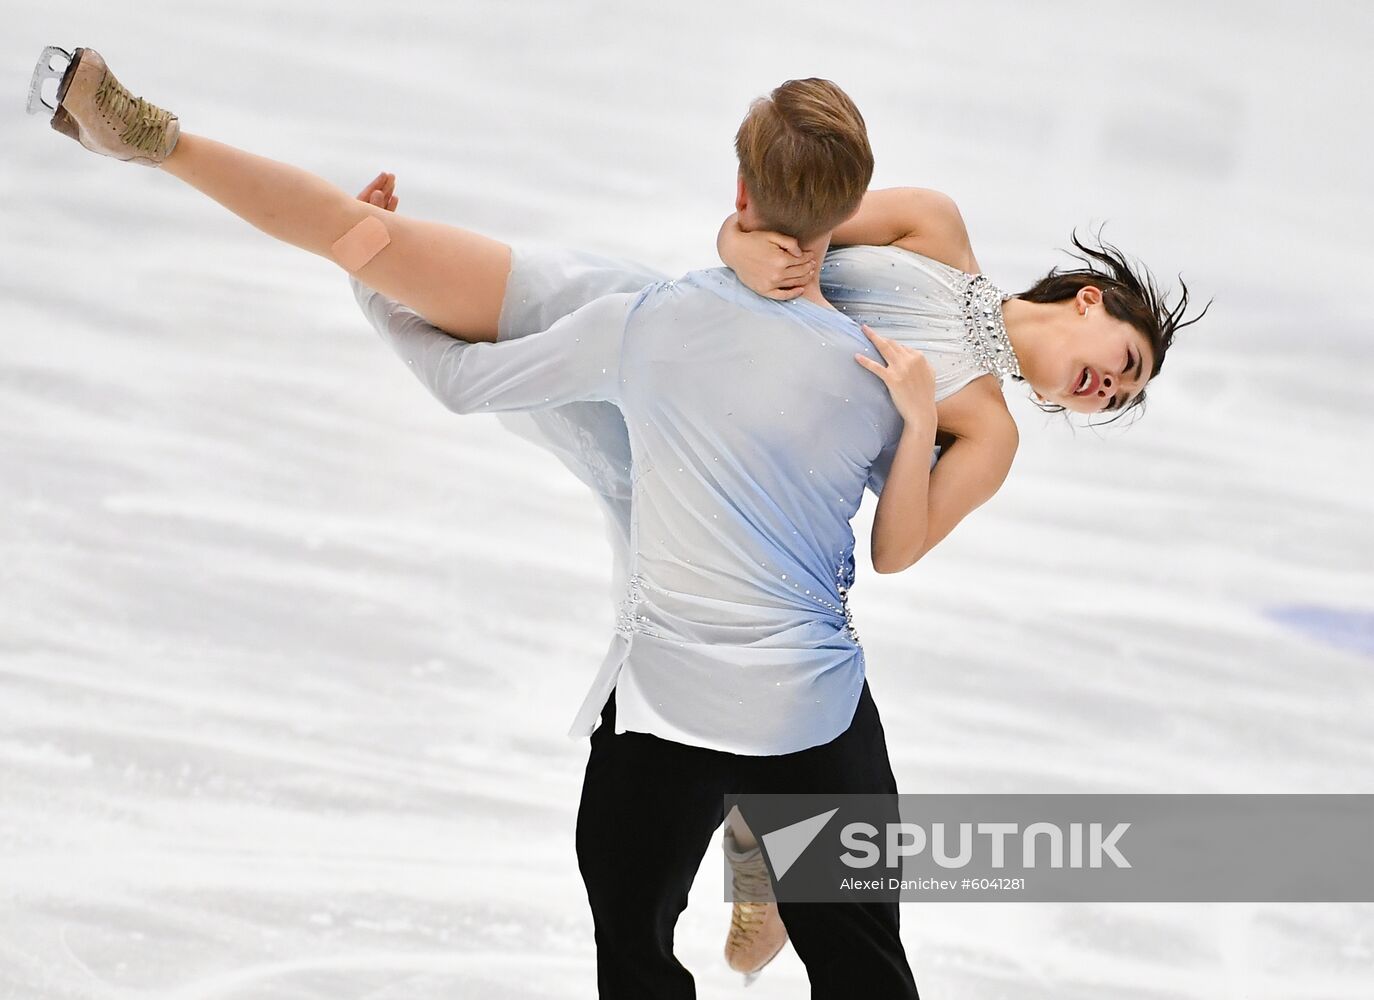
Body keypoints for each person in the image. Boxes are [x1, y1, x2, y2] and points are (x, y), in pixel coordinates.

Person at [31, 45, 1207, 990]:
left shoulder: (983, 431)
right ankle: (158, 138)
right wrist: (749, 261)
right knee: (379, 244)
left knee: (677, 671)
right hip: (665, 344)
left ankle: (757, 835)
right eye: (1127, 358)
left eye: (1126, 394)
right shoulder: (932, 228)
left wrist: (911, 418)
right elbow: (777, 229)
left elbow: (892, 550)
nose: (1113, 386)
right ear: (1091, 300)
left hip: (716, 506)